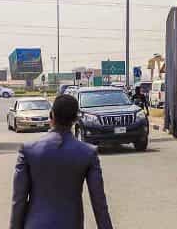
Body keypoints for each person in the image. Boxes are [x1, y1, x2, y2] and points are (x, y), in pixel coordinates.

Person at [10, 95, 113, 229]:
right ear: (76, 119)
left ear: (51, 115)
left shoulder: (28, 150)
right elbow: (99, 204)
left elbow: (19, 200)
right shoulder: (88, 153)